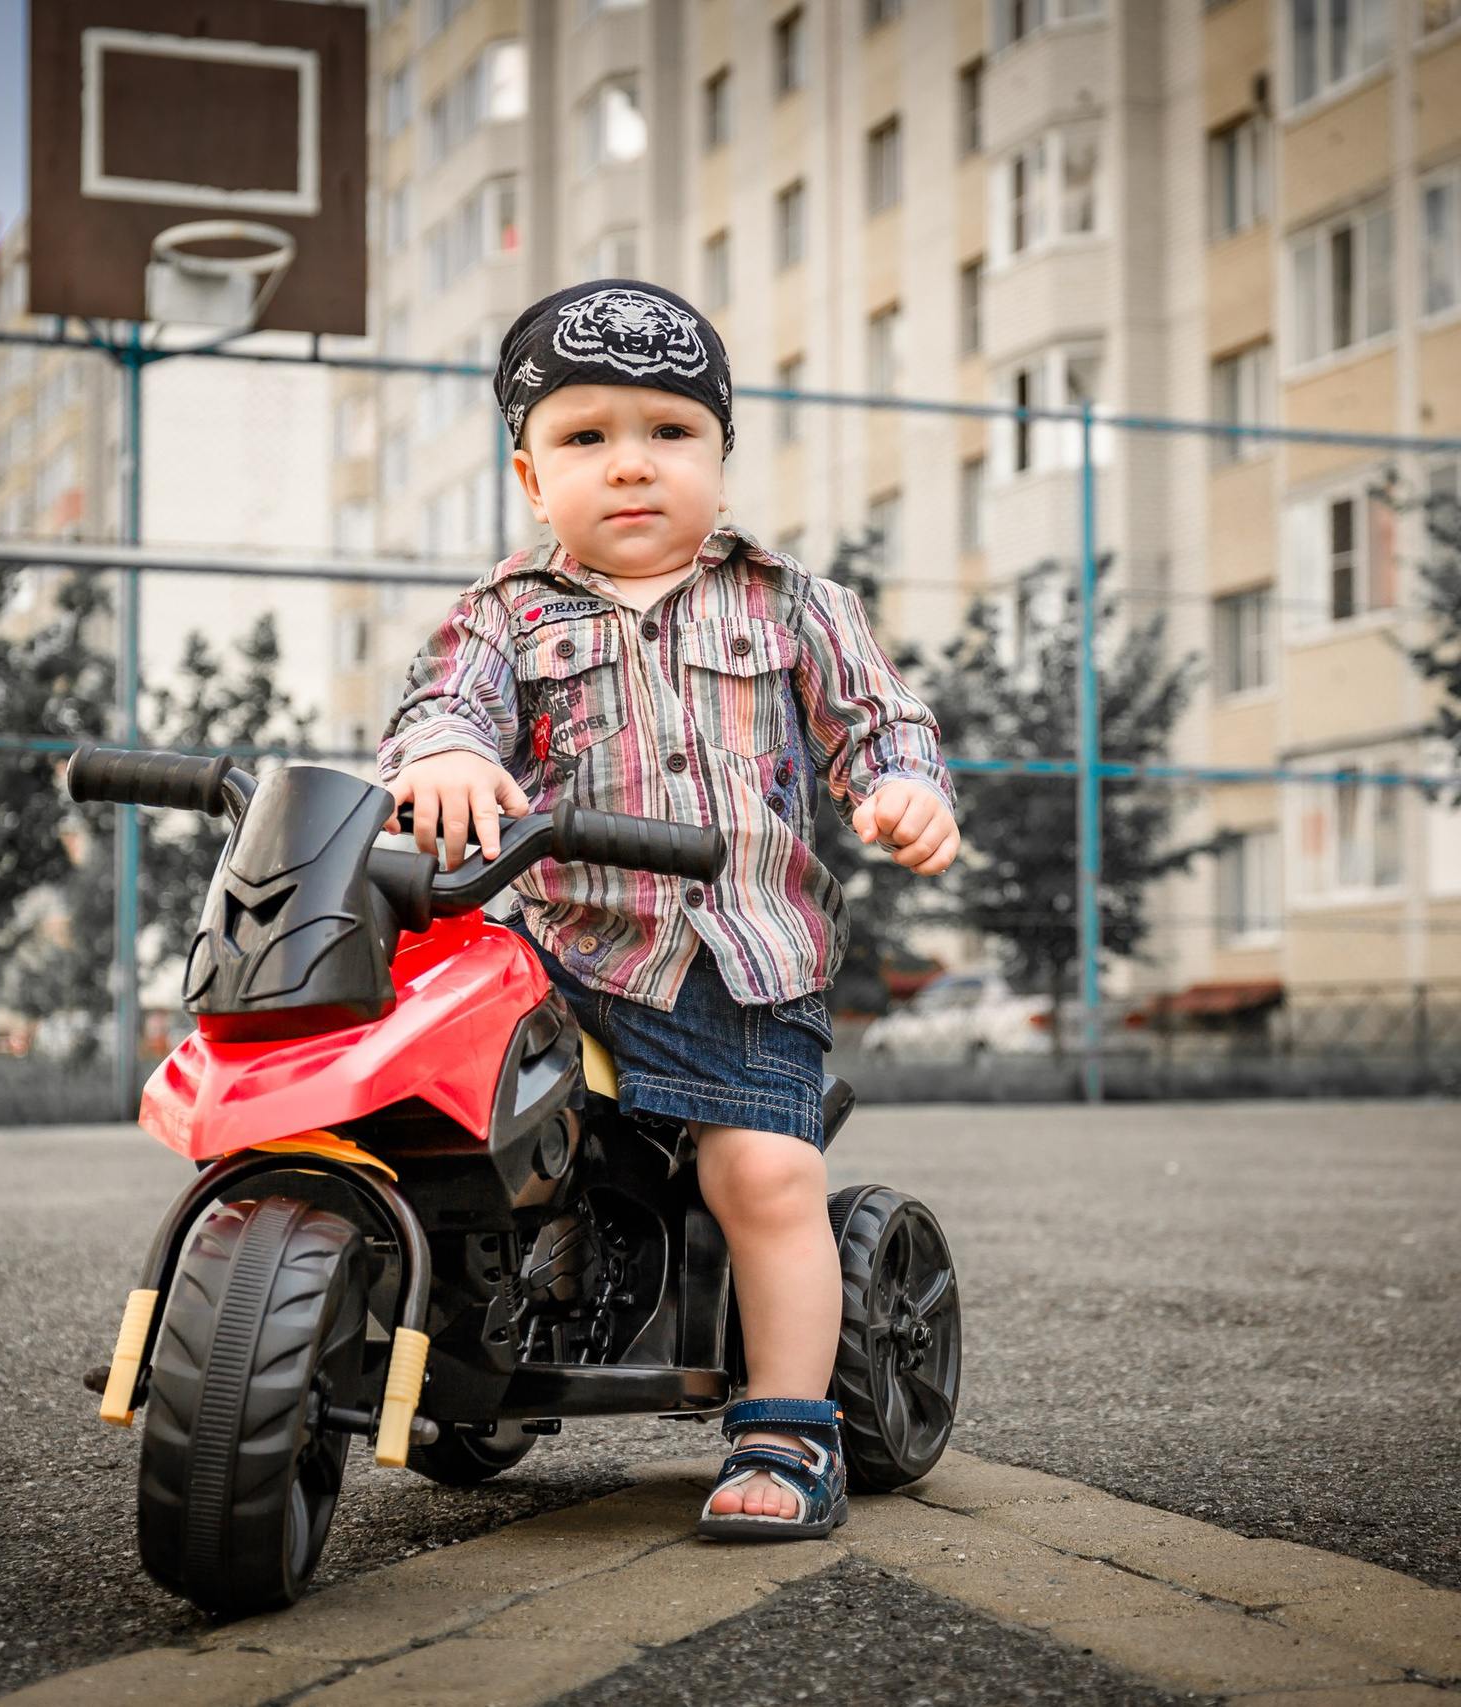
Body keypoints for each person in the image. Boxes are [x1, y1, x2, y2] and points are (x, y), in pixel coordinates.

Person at [376, 279, 958, 1540]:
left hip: (733, 960)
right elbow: (439, 709)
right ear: (532, 478)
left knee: (763, 1176)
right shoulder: (499, 616)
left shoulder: (795, 603)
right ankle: (450, 1309)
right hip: (552, 955)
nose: (629, 465)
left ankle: (789, 1428)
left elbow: (877, 720)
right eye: (584, 438)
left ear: (723, 454)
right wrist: (446, 759)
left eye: (668, 432)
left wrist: (904, 785)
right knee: (440, 1136)